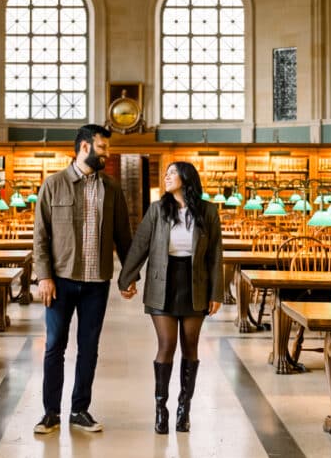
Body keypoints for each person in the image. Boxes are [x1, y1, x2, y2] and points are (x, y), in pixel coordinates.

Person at [32, 124, 133, 435]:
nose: (108, 153)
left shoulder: (112, 189)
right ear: (85, 148)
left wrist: (128, 277)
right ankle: (50, 413)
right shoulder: (53, 185)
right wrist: (44, 277)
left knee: (89, 347)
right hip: (60, 281)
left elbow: (123, 236)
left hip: (97, 283)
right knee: (54, 347)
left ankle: (79, 409)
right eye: (103, 148)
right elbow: (41, 237)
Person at [117, 162, 224, 434]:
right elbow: (140, 244)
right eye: (165, 174)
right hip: (161, 283)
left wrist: (216, 293)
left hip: (195, 284)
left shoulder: (208, 211)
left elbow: (214, 255)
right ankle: (161, 409)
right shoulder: (157, 209)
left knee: (190, 346)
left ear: (186, 178)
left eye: (171, 173)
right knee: (166, 344)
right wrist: (126, 278)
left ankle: (183, 409)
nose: (166, 177)